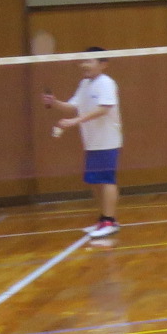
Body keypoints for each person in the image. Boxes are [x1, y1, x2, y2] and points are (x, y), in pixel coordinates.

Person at [43, 48, 123, 239]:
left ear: (103, 64)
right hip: (91, 141)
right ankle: (103, 219)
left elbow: (104, 108)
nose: (84, 65)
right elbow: (72, 106)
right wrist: (55, 102)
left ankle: (109, 221)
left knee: (107, 180)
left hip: (107, 140)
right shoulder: (85, 84)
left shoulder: (106, 83)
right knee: (95, 182)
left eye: (89, 61)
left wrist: (75, 121)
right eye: (83, 61)